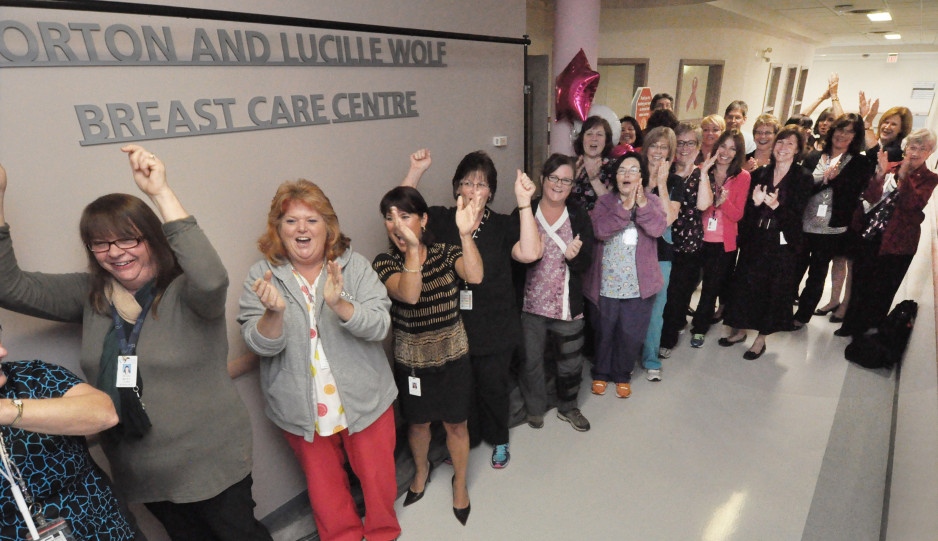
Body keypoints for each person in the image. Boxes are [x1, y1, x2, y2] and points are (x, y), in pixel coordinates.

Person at [0, 149, 271, 540]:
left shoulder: (189, 292)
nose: (115, 252)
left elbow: (212, 277)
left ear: (153, 239)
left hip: (211, 465)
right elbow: (10, 287)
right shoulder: (92, 294)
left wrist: (160, 191)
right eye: (100, 243)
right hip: (145, 474)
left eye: (127, 238)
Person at [238, 180, 399, 541]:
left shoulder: (353, 266)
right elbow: (259, 345)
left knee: (378, 480)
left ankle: (383, 533)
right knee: (325, 488)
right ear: (278, 229)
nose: (302, 229)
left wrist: (341, 304)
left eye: (311, 220)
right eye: (291, 221)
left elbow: (380, 325)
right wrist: (273, 314)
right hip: (300, 406)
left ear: (328, 226)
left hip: (365, 397)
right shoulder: (262, 276)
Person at [402, 149, 540, 470]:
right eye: (467, 183)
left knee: (493, 388)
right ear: (457, 188)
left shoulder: (502, 224)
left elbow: (530, 252)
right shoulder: (441, 219)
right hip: (452, 326)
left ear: (491, 191)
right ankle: (468, 439)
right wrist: (416, 170)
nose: (473, 190)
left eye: (481, 184)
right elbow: (402, 211)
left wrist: (523, 203)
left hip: (495, 325)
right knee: (461, 391)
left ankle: (500, 438)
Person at [372, 186, 484, 526]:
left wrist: (465, 235)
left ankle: (460, 482)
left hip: (453, 357)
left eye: (404, 216)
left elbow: (475, 275)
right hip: (412, 364)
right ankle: (421, 471)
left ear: (423, 220)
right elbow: (409, 294)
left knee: (456, 425)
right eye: (389, 217)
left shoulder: (446, 253)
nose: (396, 224)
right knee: (418, 424)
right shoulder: (384, 262)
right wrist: (411, 250)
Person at [0, 323, 134, 541]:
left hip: (104, 529)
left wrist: (6, 410)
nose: (2, 351)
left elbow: (104, 413)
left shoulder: (31, 376)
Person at [516, 154, 594, 431]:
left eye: (566, 180)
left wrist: (574, 258)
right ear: (542, 178)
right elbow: (513, 259)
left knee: (570, 363)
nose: (559, 185)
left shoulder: (578, 214)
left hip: (566, 307)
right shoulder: (525, 211)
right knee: (531, 362)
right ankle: (535, 408)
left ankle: (568, 407)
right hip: (530, 306)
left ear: (572, 185)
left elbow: (586, 262)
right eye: (554, 178)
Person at [722, 127, 813, 359]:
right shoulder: (761, 173)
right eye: (780, 142)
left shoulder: (803, 177)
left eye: (790, 144)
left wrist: (776, 206)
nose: (783, 147)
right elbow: (747, 210)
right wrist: (755, 203)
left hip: (782, 242)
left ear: (797, 150)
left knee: (772, 289)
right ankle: (740, 330)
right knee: (745, 283)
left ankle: (760, 339)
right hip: (756, 237)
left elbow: (797, 215)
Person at [838, 129, 938, 337]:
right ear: (905, 148)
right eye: (912, 147)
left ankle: (867, 332)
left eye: (922, 149)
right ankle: (850, 325)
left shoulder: (930, 179)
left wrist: (904, 178)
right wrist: (880, 175)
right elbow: (870, 197)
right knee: (860, 283)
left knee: (882, 290)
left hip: (898, 243)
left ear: (930, 152)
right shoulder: (891, 167)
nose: (915, 152)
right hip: (871, 235)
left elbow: (913, 205)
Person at [584, 152, 666, 398]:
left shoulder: (652, 201)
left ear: (641, 176)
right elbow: (599, 230)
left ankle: (622, 374)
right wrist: (625, 208)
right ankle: (601, 373)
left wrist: (641, 205)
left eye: (633, 170)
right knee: (604, 331)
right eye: (622, 170)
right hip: (606, 283)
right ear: (615, 177)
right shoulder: (605, 202)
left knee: (630, 334)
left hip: (638, 286)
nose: (627, 175)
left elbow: (658, 228)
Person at [793, 114, 872, 327]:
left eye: (849, 131)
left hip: (832, 228)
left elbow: (854, 192)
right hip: (804, 223)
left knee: (817, 274)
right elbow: (801, 187)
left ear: (855, 136)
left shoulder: (860, 162)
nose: (842, 135)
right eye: (839, 129)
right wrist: (824, 179)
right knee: (793, 269)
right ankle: (782, 309)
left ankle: (802, 316)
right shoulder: (813, 156)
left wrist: (835, 180)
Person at [688, 131, 751, 348]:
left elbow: (737, 215)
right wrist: (704, 175)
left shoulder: (743, 176)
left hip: (723, 243)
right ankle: (677, 320)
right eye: (723, 146)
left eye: (732, 148)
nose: (726, 152)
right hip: (696, 237)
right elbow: (694, 207)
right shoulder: (702, 169)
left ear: (738, 153)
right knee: (688, 282)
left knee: (710, 288)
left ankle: (700, 327)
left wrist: (723, 202)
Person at [659, 123, 711, 357]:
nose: (684, 148)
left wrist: (704, 173)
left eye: (690, 143)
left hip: (688, 246)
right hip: (663, 242)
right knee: (661, 294)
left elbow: (703, 204)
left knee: (678, 295)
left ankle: (667, 339)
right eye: (680, 143)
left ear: (698, 146)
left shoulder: (701, 174)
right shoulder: (665, 171)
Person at [638, 127, 680, 381]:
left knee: (656, 310)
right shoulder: (635, 174)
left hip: (661, 253)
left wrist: (661, 184)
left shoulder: (675, 182)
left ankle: (651, 358)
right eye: (654, 145)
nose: (657, 151)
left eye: (664, 147)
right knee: (630, 307)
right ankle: (625, 355)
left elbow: (669, 218)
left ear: (670, 153)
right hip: (632, 251)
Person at [570, 116, 616, 211]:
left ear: (606, 140)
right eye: (589, 134)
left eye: (599, 134)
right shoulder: (570, 164)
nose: (594, 138)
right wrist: (571, 179)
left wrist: (594, 180)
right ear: (582, 139)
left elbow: (612, 206)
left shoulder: (615, 167)